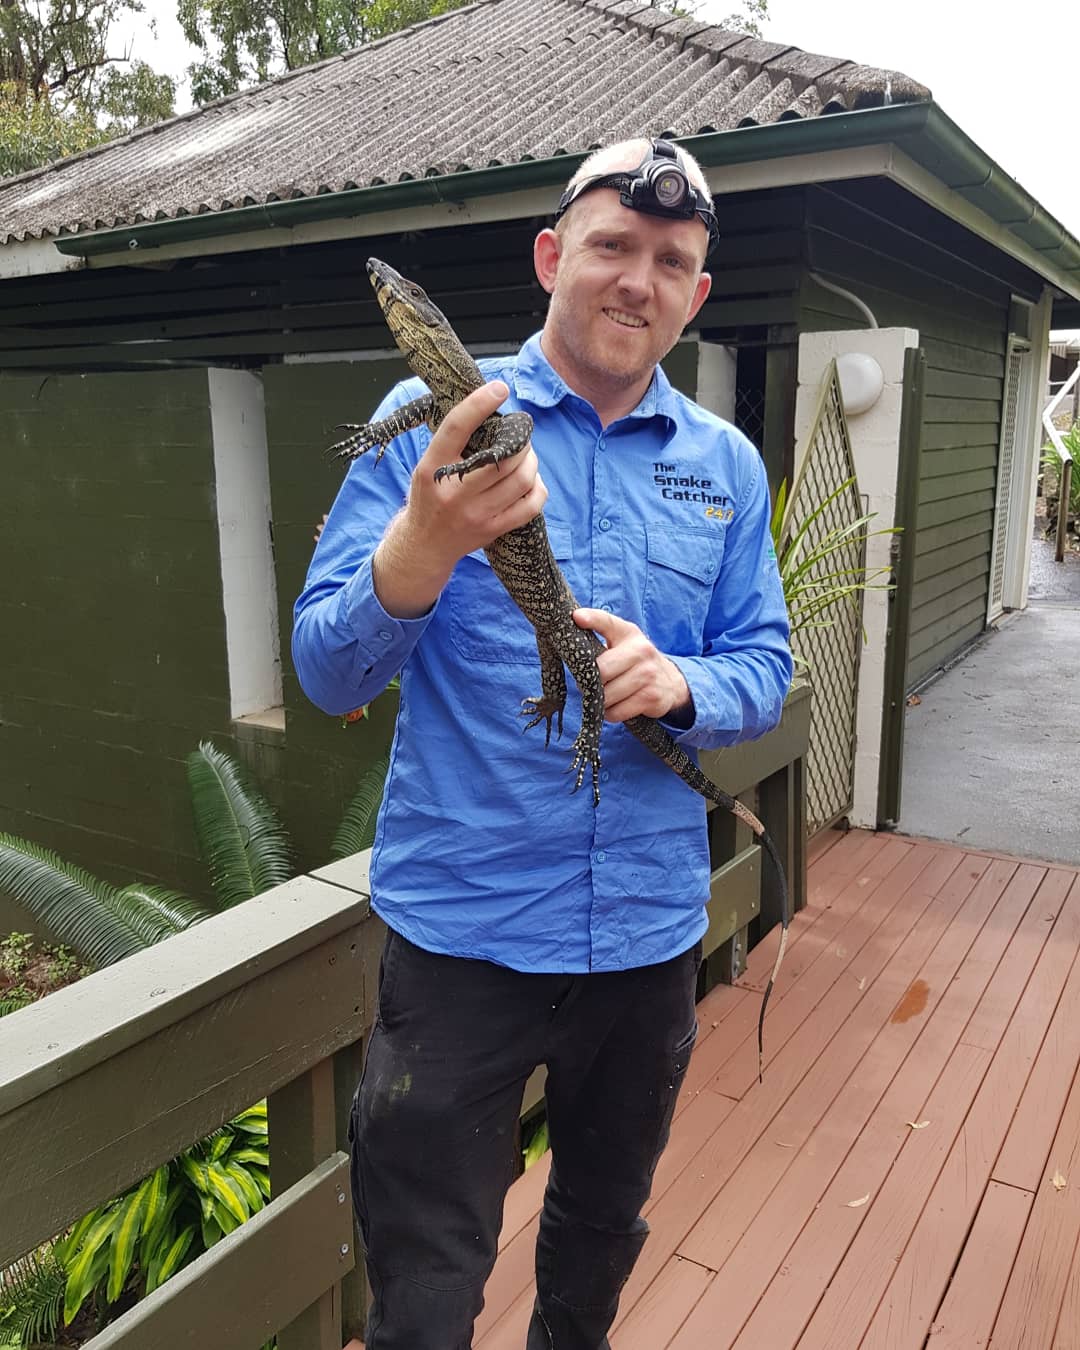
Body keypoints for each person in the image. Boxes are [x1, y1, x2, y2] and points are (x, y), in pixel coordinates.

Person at [292, 137, 793, 1350]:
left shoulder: (724, 466)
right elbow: (325, 669)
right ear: (552, 255)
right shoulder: (441, 423)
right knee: (423, 1283)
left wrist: (682, 685)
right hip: (464, 938)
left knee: (598, 1238)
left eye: (670, 260)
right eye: (614, 246)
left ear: (697, 293)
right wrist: (421, 545)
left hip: (646, 938)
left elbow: (767, 667)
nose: (638, 279)